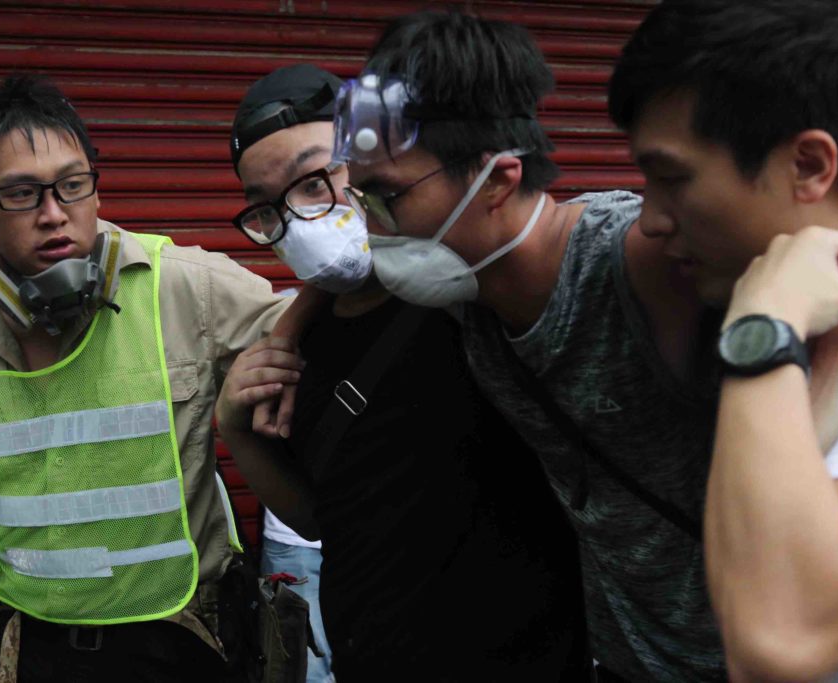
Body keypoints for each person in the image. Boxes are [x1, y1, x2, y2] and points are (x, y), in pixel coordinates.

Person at [0, 74, 302, 682]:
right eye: (21, 195)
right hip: (29, 650)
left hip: (188, 643)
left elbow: (323, 349)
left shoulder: (185, 287)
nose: (56, 215)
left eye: (73, 186)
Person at [310, 10, 728, 682]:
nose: (370, 226)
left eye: (387, 196)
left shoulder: (642, 261)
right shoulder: (464, 293)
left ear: (497, 180)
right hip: (628, 664)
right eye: (361, 197)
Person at [217, 63, 589, 680]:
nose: (301, 221)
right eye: (268, 208)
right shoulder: (302, 342)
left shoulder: (470, 297)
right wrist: (234, 424)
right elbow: (322, 515)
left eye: (315, 180)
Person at [608, 1, 838, 680]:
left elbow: (781, 641)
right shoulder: (824, 337)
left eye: (672, 178)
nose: (653, 221)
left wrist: (765, 323)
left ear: (809, 165)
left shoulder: (770, 328)